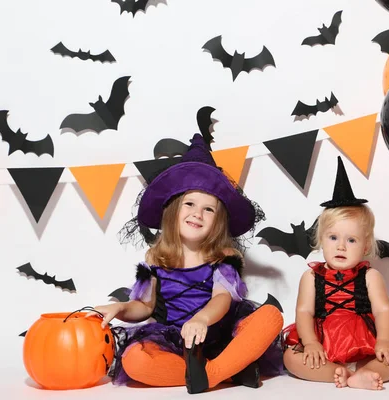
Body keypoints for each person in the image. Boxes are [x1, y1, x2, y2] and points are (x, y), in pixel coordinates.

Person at [89, 133, 284, 394]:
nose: (197, 213)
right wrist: (121, 307)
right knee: (135, 360)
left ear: (219, 221)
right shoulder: (155, 259)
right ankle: (227, 371)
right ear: (172, 211)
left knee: (270, 316)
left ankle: (213, 371)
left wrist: (202, 319)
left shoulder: (222, 257)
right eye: (189, 203)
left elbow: (222, 299)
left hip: (219, 336)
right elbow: (144, 306)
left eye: (209, 209)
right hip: (178, 343)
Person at [282, 157, 389, 390]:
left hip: (363, 338)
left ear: (365, 246)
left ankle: (364, 373)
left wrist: (384, 341)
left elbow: (383, 310)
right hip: (323, 340)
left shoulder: (370, 276)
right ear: (321, 240)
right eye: (333, 238)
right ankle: (338, 372)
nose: (341, 246)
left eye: (351, 240)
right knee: (290, 359)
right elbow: (304, 311)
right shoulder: (312, 277)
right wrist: (311, 343)